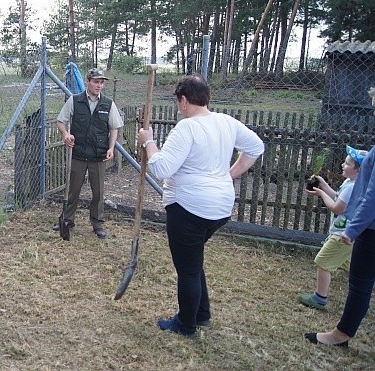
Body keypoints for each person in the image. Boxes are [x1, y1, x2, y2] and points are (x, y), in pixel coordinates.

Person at [137, 75, 264, 338]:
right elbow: (256, 146)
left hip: (189, 208)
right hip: (219, 209)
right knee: (193, 263)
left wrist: (148, 141)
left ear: (183, 100)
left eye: (178, 101)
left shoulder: (187, 128)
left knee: (188, 270)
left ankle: (185, 325)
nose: (178, 106)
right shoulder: (225, 122)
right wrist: (228, 175)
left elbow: (161, 168)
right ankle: (202, 314)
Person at [305, 87, 375, 347]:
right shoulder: (349, 182)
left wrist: (352, 230)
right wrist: (323, 187)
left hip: (368, 229)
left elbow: (369, 198)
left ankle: (340, 334)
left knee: (359, 281)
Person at [52, 68, 124, 239]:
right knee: (73, 190)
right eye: (96, 82)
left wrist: (111, 148)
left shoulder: (108, 104)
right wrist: (65, 134)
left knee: (98, 192)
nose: (99, 85)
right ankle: (67, 220)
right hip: (78, 153)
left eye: (101, 82)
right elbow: (60, 121)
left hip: (98, 156)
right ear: (88, 82)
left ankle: (97, 223)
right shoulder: (75, 101)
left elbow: (114, 127)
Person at [297, 146, 366, 310]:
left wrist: (321, 195)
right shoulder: (351, 183)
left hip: (342, 235)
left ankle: (319, 298)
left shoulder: (351, 187)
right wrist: (323, 186)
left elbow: (337, 208)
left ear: (358, 171)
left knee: (323, 262)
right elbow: (337, 196)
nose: (343, 165)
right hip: (352, 234)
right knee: (351, 268)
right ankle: (360, 298)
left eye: (347, 164)